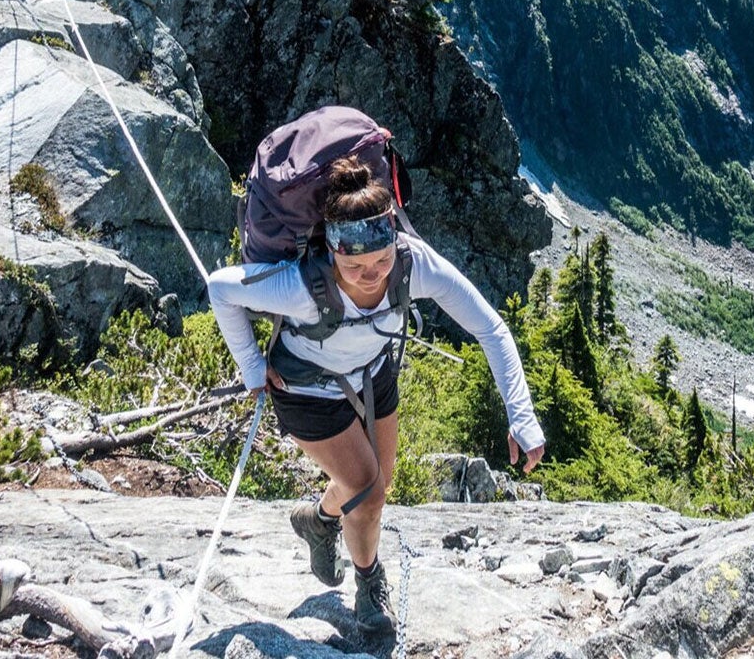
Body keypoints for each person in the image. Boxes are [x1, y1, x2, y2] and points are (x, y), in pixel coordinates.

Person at [208, 156, 546, 635]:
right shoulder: (302, 286)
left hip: (373, 375)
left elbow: (490, 328)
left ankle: (319, 520)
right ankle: (369, 584)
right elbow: (220, 289)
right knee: (367, 493)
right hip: (306, 390)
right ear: (331, 250)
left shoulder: (414, 264)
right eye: (355, 265)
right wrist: (251, 368)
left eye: (381, 261)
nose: (372, 276)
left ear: (394, 240)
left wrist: (522, 415)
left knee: (377, 485)